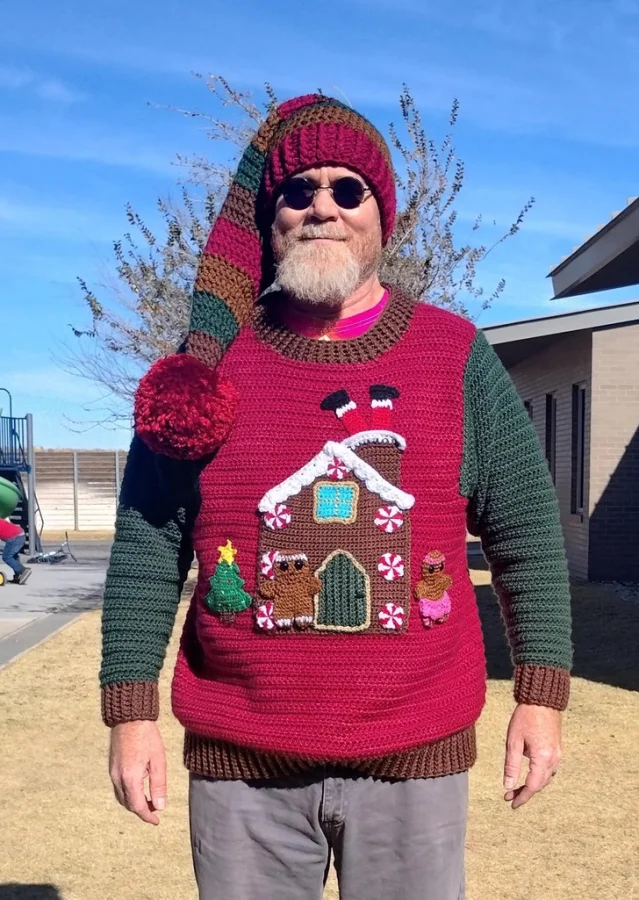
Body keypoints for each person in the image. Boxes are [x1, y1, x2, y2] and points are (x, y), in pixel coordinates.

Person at [101, 95, 572, 900]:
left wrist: (540, 696)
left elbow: (525, 535)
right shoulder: (201, 371)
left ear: (382, 217)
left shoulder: (455, 356)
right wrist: (130, 712)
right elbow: (147, 545)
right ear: (269, 218)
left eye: (347, 189)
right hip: (241, 769)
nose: (322, 206)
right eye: (298, 190)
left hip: (413, 763)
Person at [0, 517, 31, 584]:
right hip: (20, 534)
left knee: (7, 557)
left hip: (14, 537)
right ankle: (18, 576)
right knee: (14, 556)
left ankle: (23, 570)